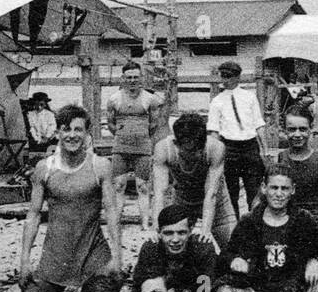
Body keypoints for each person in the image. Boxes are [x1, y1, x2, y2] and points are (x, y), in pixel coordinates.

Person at [18, 104, 122, 292]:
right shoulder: (44, 168)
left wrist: (118, 256)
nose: (72, 135)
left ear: (86, 134)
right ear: (57, 132)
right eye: (66, 129)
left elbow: (112, 212)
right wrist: (25, 259)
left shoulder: (100, 166)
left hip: (93, 255)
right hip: (55, 257)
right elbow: (34, 214)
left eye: (78, 130)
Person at [217, 165, 318, 292]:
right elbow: (228, 252)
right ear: (264, 188)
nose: (279, 194)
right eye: (274, 187)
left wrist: (316, 261)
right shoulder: (250, 221)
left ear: (292, 190)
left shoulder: (303, 219)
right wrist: (235, 260)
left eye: (284, 188)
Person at [152, 112, 238, 248]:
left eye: (196, 151)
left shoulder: (215, 148)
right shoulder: (163, 149)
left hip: (218, 201)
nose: (192, 155)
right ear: (176, 143)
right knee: (170, 246)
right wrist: (156, 227)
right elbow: (159, 193)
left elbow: (211, 194)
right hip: (182, 200)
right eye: (187, 151)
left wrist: (205, 230)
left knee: (233, 248)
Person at [134, 204, 220, 292]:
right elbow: (137, 290)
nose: (175, 240)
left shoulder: (202, 249)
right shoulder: (150, 249)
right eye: (168, 233)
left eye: (181, 232)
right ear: (159, 233)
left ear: (190, 231)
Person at [105, 61, 165, 229]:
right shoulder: (114, 99)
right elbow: (110, 124)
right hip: (120, 148)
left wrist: (140, 136)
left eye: (136, 77)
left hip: (142, 149)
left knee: (143, 187)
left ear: (141, 78)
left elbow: (153, 125)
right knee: (118, 186)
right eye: (129, 77)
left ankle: (145, 223)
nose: (132, 80)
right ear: (123, 79)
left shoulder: (150, 99)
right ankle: (116, 223)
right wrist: (124, 135)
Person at [206, 60, 267, 217]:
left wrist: (265, 149)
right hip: (229, 149)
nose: (225, 80)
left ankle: (255, 224)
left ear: (238, 77)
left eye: (229, 76)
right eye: (223, 76)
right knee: (230, 191)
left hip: (250, 147)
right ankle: (235, 228)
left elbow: (259, 124)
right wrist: (215, 156)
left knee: (254, 189)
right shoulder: (217, 101)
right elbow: (214, 131)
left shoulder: (249, 97)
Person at [274, 106, 318, 228]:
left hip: (312, 232)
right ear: (284, 130)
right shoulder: (278, 160)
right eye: (292, 129)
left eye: (302, 129)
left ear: (311, 129)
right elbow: (260, 200)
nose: (297, 134)